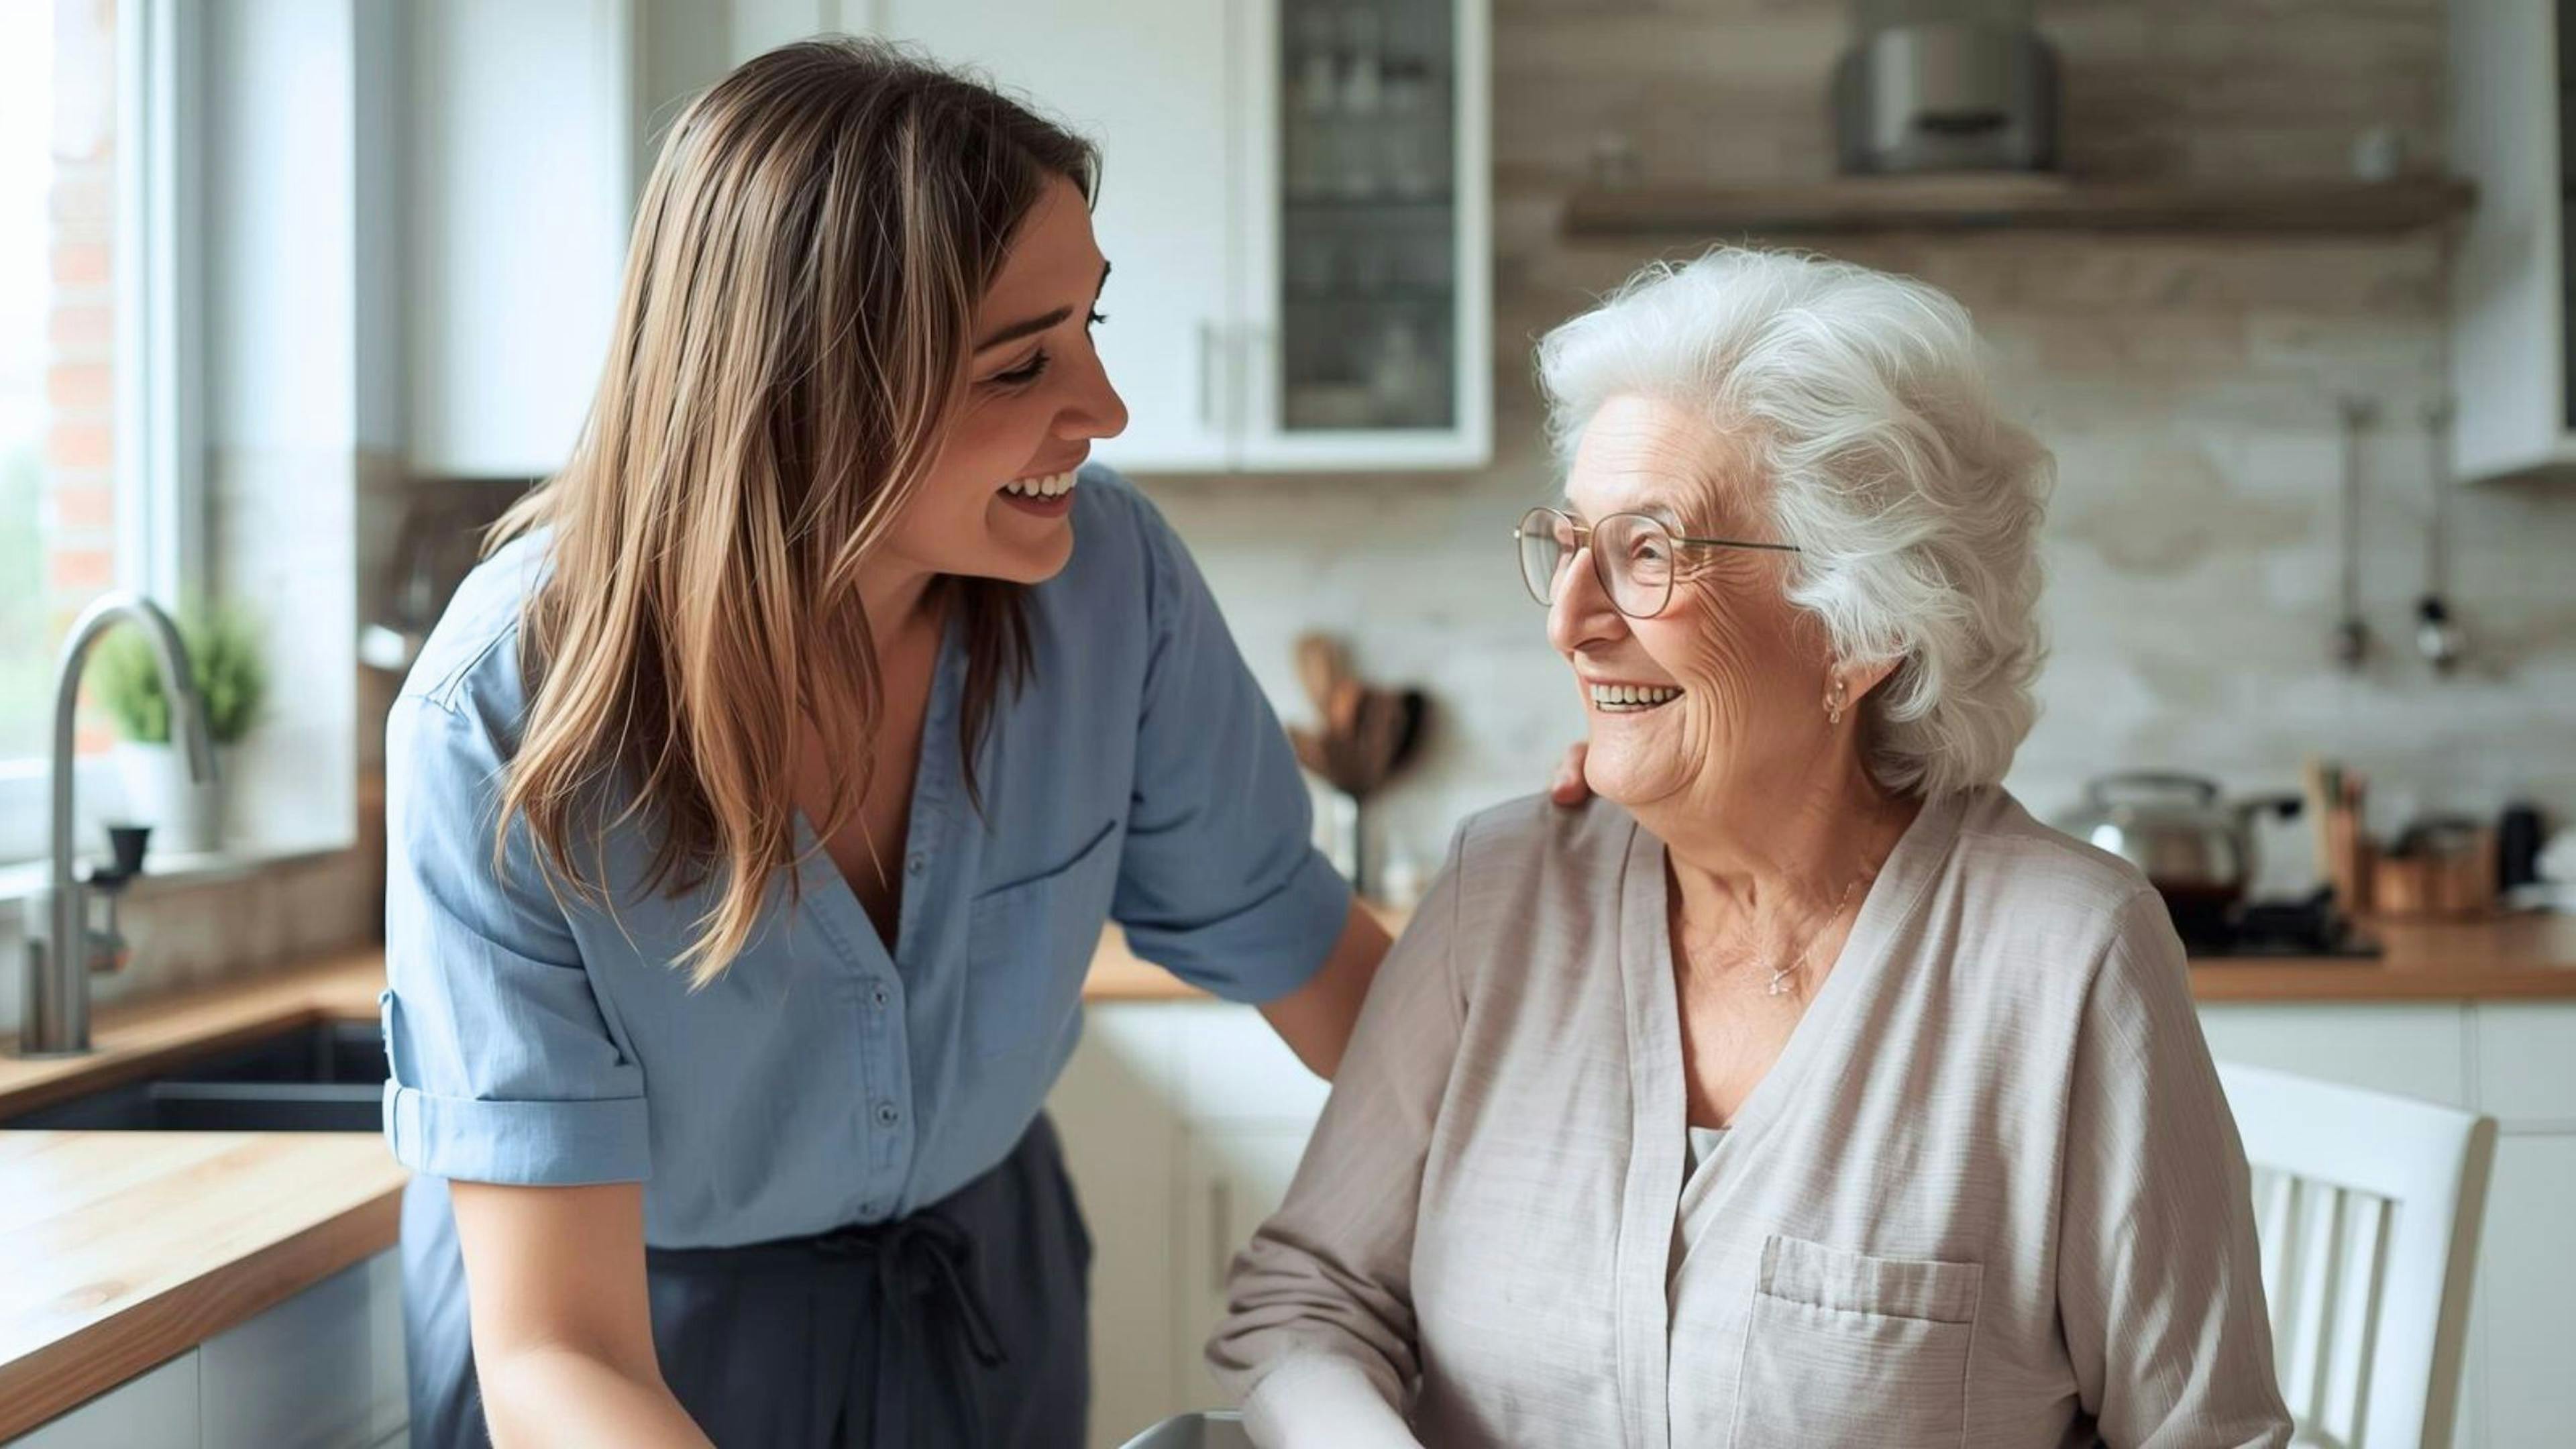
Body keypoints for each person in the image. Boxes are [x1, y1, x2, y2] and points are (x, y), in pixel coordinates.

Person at [382, 40, 1389, 1448]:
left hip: (977, 1303)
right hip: (642, 1356)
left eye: (1090, 326)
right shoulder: (503, 716)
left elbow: (1321, 966)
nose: (1105, 410)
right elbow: (560, 1353)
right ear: (808, 392)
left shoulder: (1114, 587)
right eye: (1021, 364)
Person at [1209, 248, 2294, 1448]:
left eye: (1650, 551)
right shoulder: (1499, 895)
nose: (1570, 621)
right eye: (1570, 545)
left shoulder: (2063, 960)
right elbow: (1307, 1302)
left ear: (1860, 628)